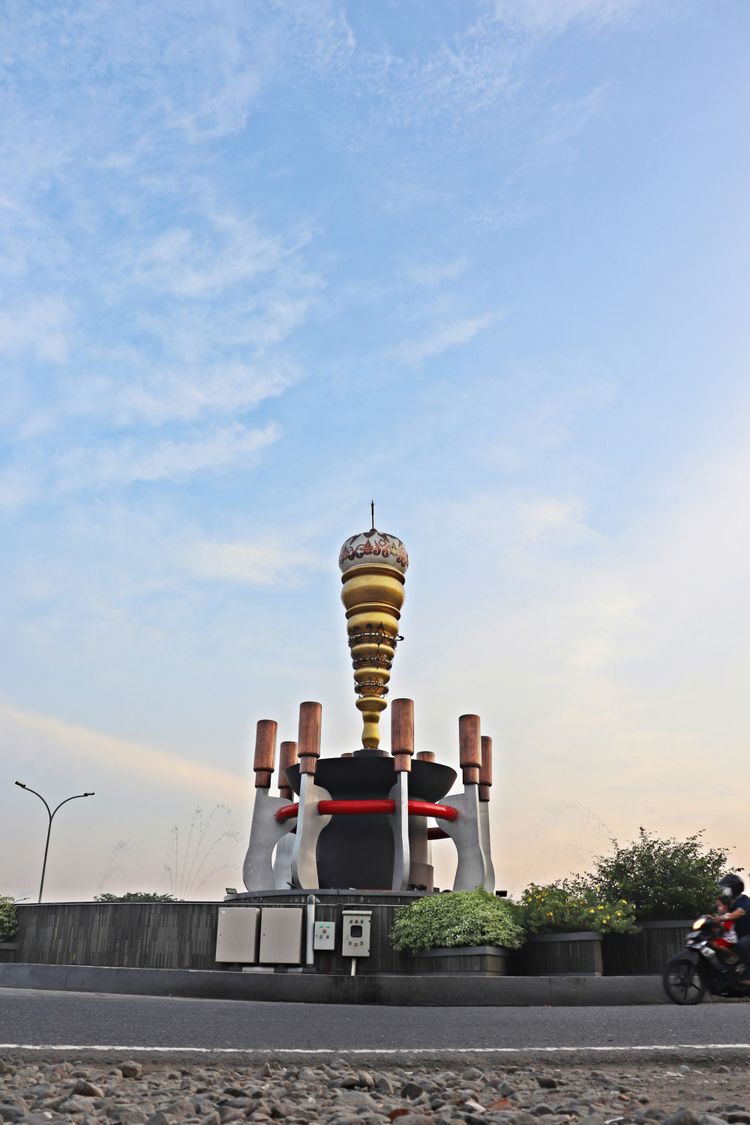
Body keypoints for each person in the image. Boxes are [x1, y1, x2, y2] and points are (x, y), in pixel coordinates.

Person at [716, 874, 750, 984]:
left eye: (726, 888)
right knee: (717, 943)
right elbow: (723, 913)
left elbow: (736, 914)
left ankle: (748, 976)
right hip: (738, 935)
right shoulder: (731, 903)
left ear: (734, 888)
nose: (724, 891)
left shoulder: (745, 902)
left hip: (748, 935)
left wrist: (721, 918)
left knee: (742, 944)